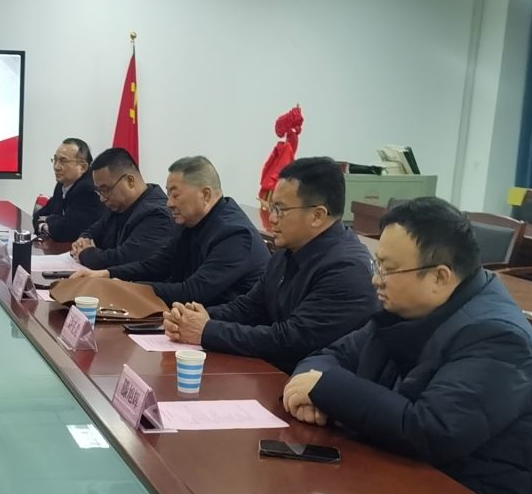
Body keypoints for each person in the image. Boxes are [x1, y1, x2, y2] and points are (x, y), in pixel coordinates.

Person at [284, 197, 532, 494]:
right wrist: (312, 389)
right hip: (418, 478)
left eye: (388, 269)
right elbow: (330, 356)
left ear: (439, 277)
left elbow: (430, 430)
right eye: (377, 265)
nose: (376, 279)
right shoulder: (408, 309)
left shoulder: (497, 337)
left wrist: (324, 388)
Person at [163, 157, 378, 373]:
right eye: (271, 207)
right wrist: (195, 317)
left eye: (280, 209)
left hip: (309, 382)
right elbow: (251, 306)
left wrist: (207, 330)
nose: (272, 218)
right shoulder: (288, 250)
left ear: (317, 215)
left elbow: (291, 340)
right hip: (273, 372)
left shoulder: (347, 270)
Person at [81, 155, 267, 306]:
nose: (169, 203)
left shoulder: (235, 235)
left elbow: (193, 291)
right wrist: (107, 274)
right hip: (190, 317)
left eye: (175, 195)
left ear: (205, 194)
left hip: (225, 325)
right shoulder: (188, 222)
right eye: (168, 194)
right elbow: (157, 265)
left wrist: (127, 288)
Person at [67, 147, 177, 270]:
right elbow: (94, 231)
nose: (102, 198)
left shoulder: (158, 216)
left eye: (106, 190)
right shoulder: (119, 205)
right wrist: (84, 239)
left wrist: (85, 254)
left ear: (130, 181)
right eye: (99, 191)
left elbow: (124, 260)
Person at [34, 137, 101, 241]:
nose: (56, 167)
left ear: (83, 167)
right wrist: (51, 222)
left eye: (63, 161)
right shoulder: (61, 185)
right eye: (55, 160)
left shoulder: (88, 191)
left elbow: (66, 231)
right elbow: (38, 215)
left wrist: (49, 220)